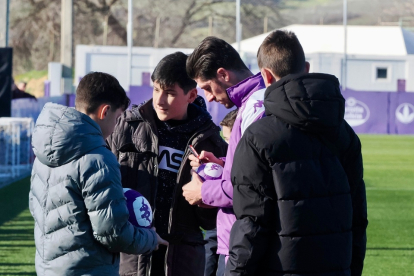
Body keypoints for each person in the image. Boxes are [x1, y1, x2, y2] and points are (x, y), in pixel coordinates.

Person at [226, 30, 368, 276]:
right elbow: (358, 219)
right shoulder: (344, 134)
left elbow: (251, 225)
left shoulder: (258, 137)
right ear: (307, 68)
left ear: (266, 76)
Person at [29, 72, 167, 275]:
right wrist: (150, 238)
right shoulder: (98, 159)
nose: (116, 126)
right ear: (105, 111)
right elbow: (112, 233)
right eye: (118, 118)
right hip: (88, 269)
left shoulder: (43, 149)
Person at [107, 52, 228, 276]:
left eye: (170, 93)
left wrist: (204, 191)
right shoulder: (126, 126)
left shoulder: (211, 143)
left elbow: (212, 221)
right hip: (131, 256)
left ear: (192, 95)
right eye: (156, 90)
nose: (159, 100)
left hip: (182, 259)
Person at [182, 36, 266, 265]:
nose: (207, 97)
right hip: (241, 239)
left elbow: (253, 189)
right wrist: (222, 165)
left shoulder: (255, 108)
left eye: (207, 88)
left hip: (245, 244)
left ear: (223, 74)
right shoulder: (254, 103)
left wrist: (203, 192)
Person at [204, 108, 238, 276]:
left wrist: (202, 191)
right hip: (224, 242)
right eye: (226, 141)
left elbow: (237, 190)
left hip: (236, 247)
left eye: (232, 141)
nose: (229, 148)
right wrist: (219, 165)